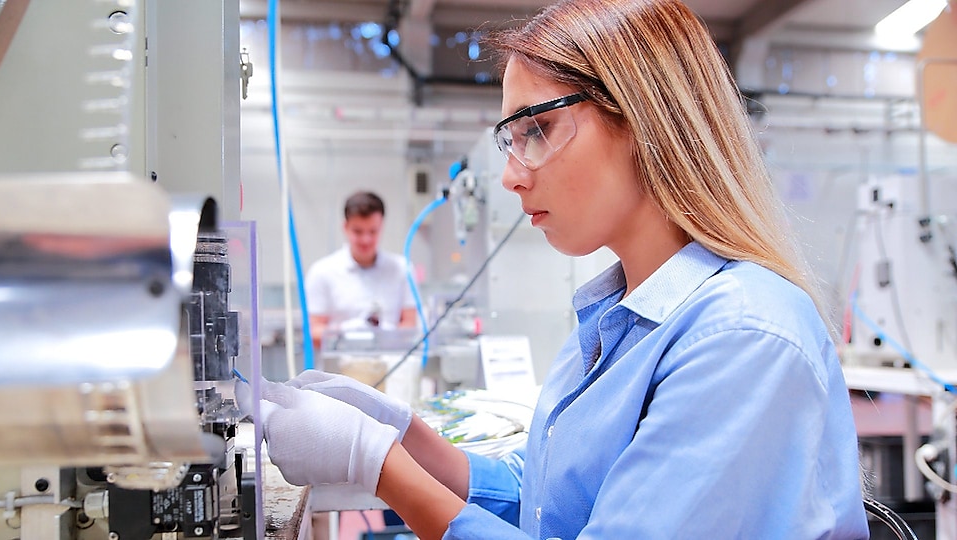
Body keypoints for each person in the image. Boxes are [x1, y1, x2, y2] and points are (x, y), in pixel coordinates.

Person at [243, 1, 870, 538]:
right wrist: (408, 437)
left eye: (538, 129)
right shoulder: (615, 318)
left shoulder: (740, 340)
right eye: (510, 141)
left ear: (643, 121)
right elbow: (546, 498)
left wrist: (376, 465)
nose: (513, 175)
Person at [304, 190, 417, 350]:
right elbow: (313, 332)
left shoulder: (402, 269)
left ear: (381, 226)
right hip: (340, 370)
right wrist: (343, 332)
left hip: (390, 366)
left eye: (373, 231)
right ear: (345, 227)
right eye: (358, 231)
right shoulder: (322, 272)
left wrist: (388, 335)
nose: (366, 240)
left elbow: (410, 324)